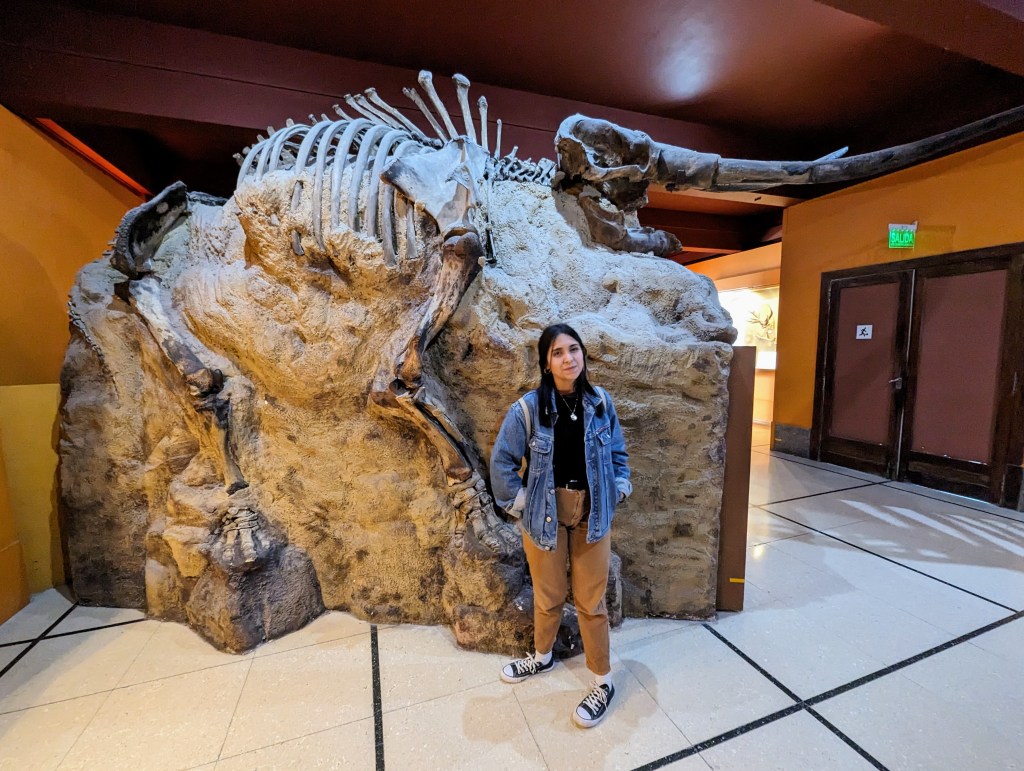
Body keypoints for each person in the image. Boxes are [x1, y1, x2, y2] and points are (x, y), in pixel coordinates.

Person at [490, 323, 631, 728]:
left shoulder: (600, 402)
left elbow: (618, 453)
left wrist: (619, 487)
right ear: (546, 363)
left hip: (592, 515)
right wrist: (522, 505)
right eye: (557, 352)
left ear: (583, 354)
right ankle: (542, 657)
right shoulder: (528, 409)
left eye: (574, 349)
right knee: (548, 595)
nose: (568, 358)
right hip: (545, 515)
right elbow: (502, 462)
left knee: (591, 602)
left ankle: (602, 682)